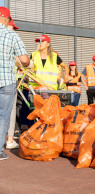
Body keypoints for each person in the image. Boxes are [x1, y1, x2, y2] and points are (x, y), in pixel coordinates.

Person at [0, 7, 30, 160]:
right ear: (5, 19)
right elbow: (25, 60)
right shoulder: (12, 35)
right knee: (3, 116)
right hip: (6, 81)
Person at [5, 18, 21, 149]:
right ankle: (10, 139)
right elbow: (20, 59)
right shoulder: (11, 38)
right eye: (13, 27)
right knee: (10, 110)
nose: (14, 30)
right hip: (8, 80)